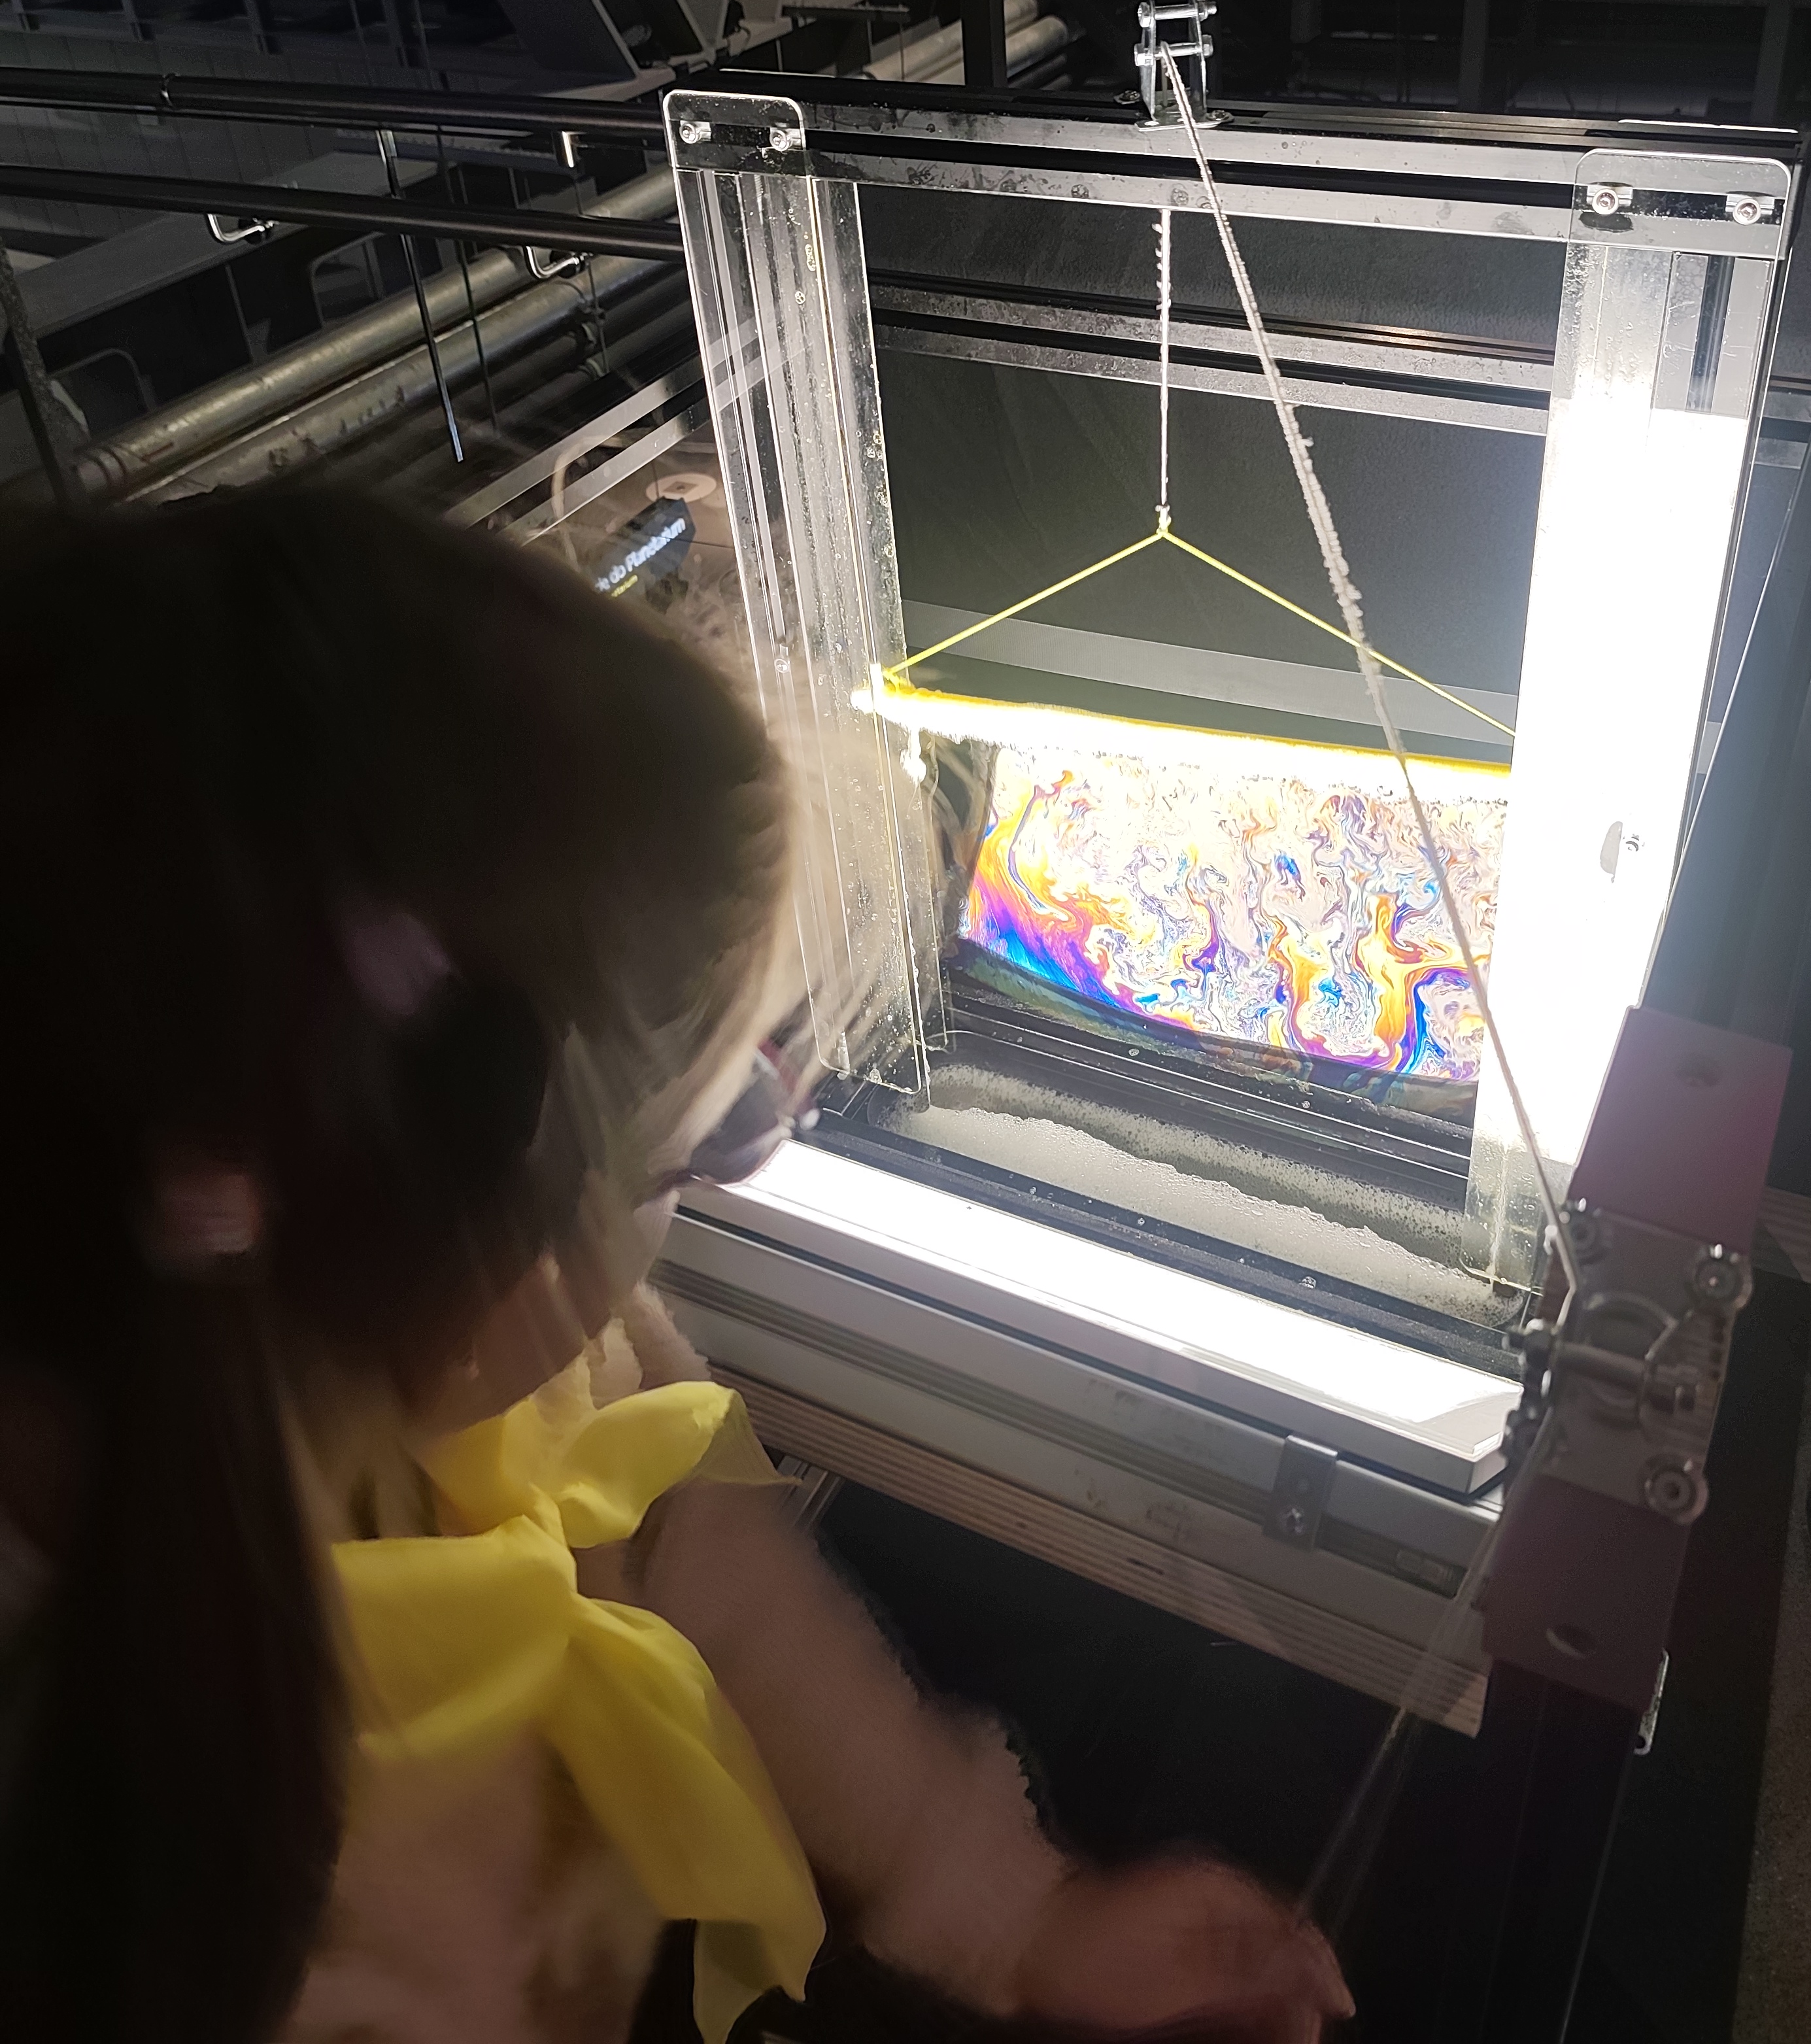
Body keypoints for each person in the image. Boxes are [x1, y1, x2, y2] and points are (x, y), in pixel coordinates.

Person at [0, 487, 1349, 2044]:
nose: (717, 1178)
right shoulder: (174, 1881)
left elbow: (706, 1556)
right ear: (488, 1265)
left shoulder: (495, 1342)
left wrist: (1015, 1907)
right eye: (712, 1138)